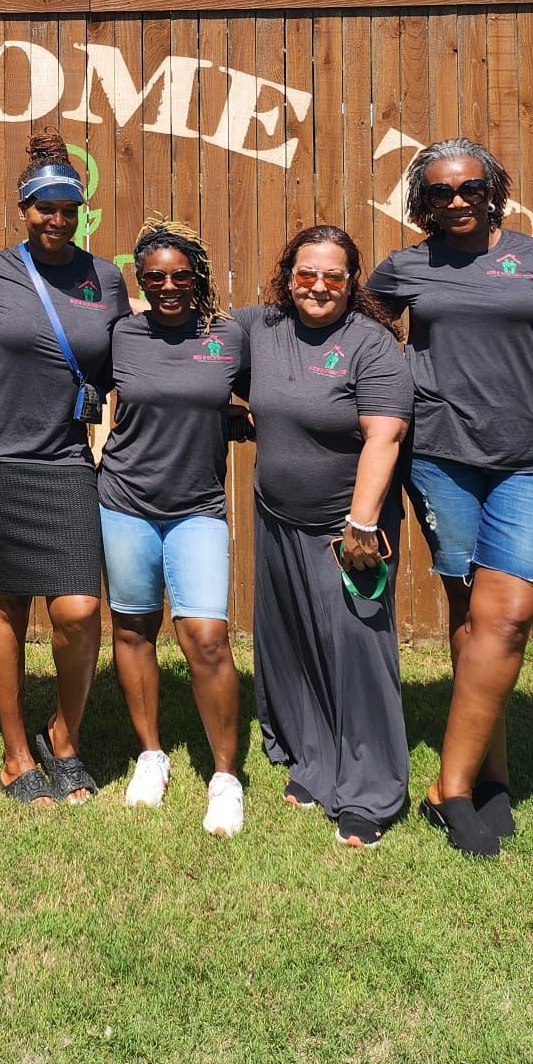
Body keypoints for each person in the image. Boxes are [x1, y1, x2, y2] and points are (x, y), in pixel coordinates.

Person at [367, 138, 533, 858]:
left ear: (493, 189)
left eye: (472, 187)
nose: (458, 200)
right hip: (440, 460)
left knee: (510, 615)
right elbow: (360, 338)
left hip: (530, 461)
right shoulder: (406, 267)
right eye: (441, 192)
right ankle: (491, 775)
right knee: (470, 614)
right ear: (423, 200)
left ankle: (449, 787)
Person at [0, 131, 130, 804]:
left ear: (82, 211)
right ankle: (15, 752)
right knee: (8, 601)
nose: (56, 219)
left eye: (68, 208)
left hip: (63, 457)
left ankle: (65, 735)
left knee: (80, 608)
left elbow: (117, 364)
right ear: (23, 208)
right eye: (43, 208)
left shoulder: (103, 277)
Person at [235, 226, 413, 849]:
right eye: (305, 274)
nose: (317, 287)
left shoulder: (371, 344)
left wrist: (362, 522)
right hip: (277, 516)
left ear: (351, 281)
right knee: (291, 644)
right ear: (288, 275)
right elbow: (199, 347)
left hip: (345, 530)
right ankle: (313, 762)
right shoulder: (262, 327)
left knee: (357, 654)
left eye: (333, 276)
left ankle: (371, 792)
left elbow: (384, 436)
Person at [97, 215, 247, 834]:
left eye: (180, 275)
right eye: (153, 276)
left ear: (199, 278)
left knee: (206, 637)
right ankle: (151, 756)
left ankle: (225, 777)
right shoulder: (121, 336)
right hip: (124, 499)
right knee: (133, 628)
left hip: (197, 508)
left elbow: (282, 385)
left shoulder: (231, 337)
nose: (166, 287)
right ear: (139, 279)